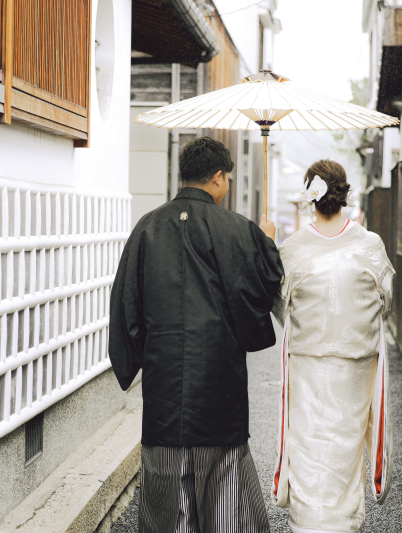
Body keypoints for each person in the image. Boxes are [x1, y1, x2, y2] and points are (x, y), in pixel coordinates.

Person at [109, 136, 283, 533]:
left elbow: (126, 307)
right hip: (218, 391)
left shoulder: (147, 228)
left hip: (164, 390)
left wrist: (132, 358)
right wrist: (267, 242)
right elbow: (263, 288)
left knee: (168, 506)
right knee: (224, 498)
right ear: (219, 177)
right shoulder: (238, 230)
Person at [271, 160, 395, 533]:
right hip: (356, 365)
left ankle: (306, 524)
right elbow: (386, 301)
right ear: (343, 195)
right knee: (347, 443)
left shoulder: (293, 248)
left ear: (311, 198)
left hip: (307, 362)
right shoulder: (369, 245)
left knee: (308, 442)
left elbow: (280, 307)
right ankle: (343, 524)